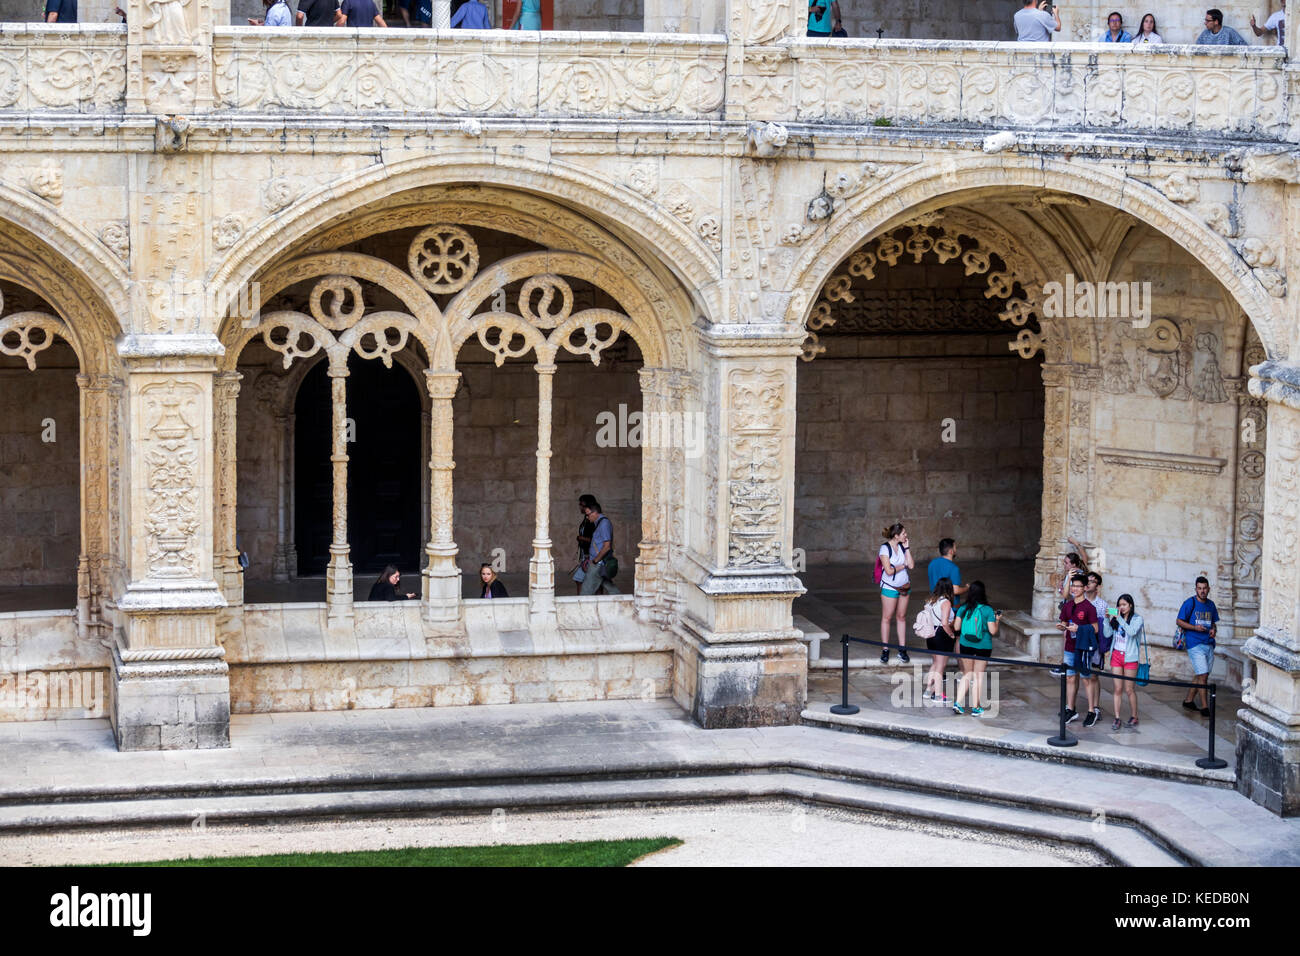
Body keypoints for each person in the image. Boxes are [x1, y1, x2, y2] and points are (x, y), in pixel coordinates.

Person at [1056, 574, 1100, 725]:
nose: (1074, 589)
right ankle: (1070, 708)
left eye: (1078, 586)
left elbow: (1095, 628)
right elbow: (1063, 622)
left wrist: (1079, 629)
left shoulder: (1089, 608)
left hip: (1083, 648)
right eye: (1073, 585)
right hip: (1069, 646)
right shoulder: (1068, 605)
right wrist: (1062, 626)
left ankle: (1091, 711)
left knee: (1086, 679)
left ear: (1085, 588)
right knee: (1070, 677)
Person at [953, 580, 1000, 716]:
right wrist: (997, 620)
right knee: (978, 676)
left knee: (967, 674)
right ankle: (976, 707)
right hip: (983, 646)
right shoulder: (988, 610)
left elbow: (956, 627)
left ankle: (958, 703)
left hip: (965, 644)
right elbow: (992, 631)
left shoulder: (963, 608)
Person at [1176, 576, 1219, 715]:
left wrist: (1213, 630)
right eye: (1199, 588)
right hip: (1194, 643)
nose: (1202, 591)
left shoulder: (1211, 605)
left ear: (1208, 589)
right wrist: (1194, 628)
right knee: (1203, 675)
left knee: (1201, 675)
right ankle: (1205, 708)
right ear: (1196, 589)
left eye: (1204, 588)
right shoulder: (1190, 603)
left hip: (1208, 643)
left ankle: (1188, 701)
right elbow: (1179, 621)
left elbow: (1213, 623)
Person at [1106, 593, 1144, 730]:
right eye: (1119, 605)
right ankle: (1117, 718)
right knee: (1117, 688)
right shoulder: (1117, 619)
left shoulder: (1137, 619)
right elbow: (1107, 634)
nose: (1121, 607)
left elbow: (1132, 632)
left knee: (1129, 689)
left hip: (1130, 657)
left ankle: (1134, 716)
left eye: (1124, 605)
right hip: (1116, 655)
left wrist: (1119, 619)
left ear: (1130, 605)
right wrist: (1106, 619)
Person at [878, 523, 914, 664]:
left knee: (901, 617)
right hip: (890, 587)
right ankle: (885, 649)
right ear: (896, 535)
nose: (906, 535)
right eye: (903, 533)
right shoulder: (884, 549)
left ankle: (902, 649)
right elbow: (888, 571)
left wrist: (907, 548)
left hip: (905, 586)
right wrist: (903, 565)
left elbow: (911, 565)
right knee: (887, 618)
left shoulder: (902, 547)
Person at [1080, 571, 1109, 727]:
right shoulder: (1080, 600)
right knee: (1083, 676)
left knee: (1093, 676)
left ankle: (1095, 707)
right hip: (1081, 643)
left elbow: (1106, 624)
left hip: (1095, 644)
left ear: (1097, 586)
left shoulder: (1102, 604)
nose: (1089, 583)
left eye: (1092, 581)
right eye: (1088, 580)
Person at [921, 577, 957, 702]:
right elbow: (945, 623)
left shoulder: (930, 601)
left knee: (935, 663)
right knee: (940, 666)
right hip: (941, 635)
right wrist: (951, 635)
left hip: (931, 634)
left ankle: (928, 690)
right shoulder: (945, 602)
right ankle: (938, 695)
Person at [579, 496, 620, 596]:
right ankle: (622, 600)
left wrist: (595, 561)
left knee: (585, 592)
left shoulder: (604, 523)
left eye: (588, 515)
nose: (587, 517)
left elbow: (607, 546)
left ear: (595, 513)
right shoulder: (599, 523)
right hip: (598, 563)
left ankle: (582, 606)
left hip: (598, 564)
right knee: (611, 588)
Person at [572, 495, 598, 594]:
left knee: (579, 579)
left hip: (590, 556)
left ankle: (580, 600)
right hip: (585, 555)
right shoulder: (586, 519)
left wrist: (581, 538)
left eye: (581, 504)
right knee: (595, 582)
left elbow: (596, 540)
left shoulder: (593, 520)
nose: (580, 507)